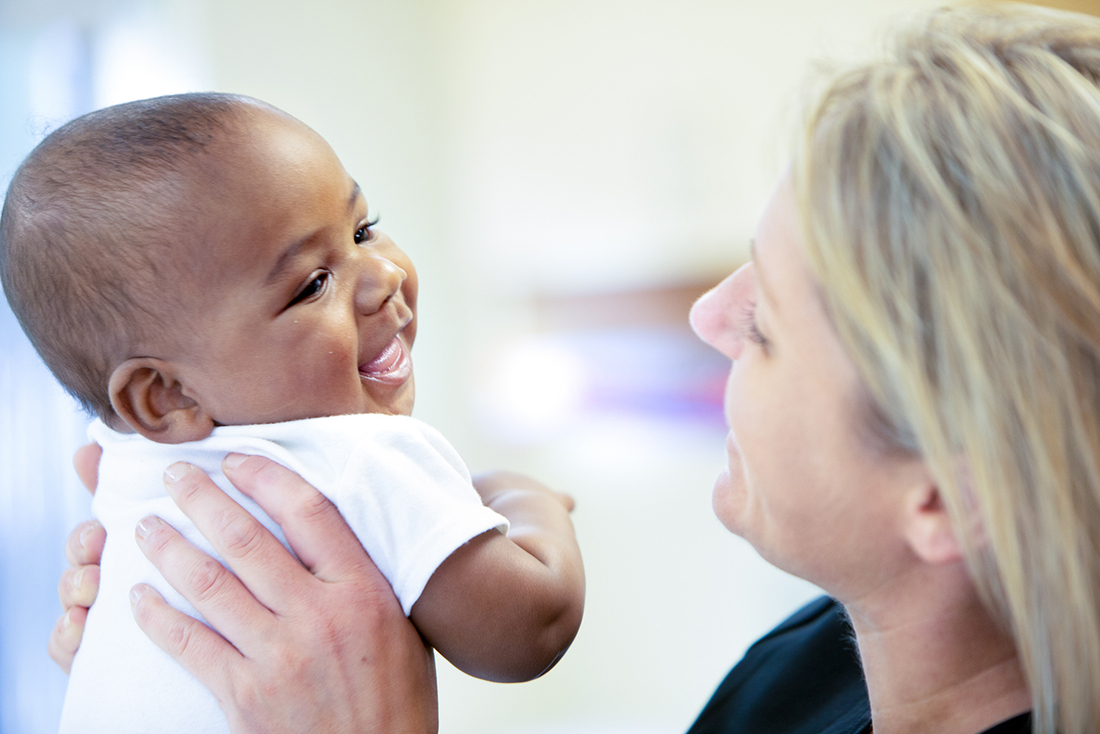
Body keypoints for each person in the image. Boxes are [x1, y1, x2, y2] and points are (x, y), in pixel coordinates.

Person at [48, 3, 1100, 732]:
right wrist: (168, 640)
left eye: (766, 320)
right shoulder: (812, 664)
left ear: (947, 489)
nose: (704, 312)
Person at [0, 93, 584, 733]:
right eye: (312, 284)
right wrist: (527, 501)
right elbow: (530, 627)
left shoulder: (126, 468)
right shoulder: (359, 458)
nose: (383, 274)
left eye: (363, 230)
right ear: (165, 397)